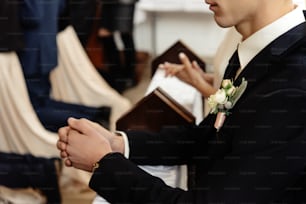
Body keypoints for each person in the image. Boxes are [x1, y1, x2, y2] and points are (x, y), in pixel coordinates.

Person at [57, 0, 306, 203]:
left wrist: (104, 164)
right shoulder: (263, 48)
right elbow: (210, 136)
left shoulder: (294, 84)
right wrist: (119, 143)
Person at [98, 0, 139, 93]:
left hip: (124, 3)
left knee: (125, 36)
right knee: (105, 36)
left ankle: (128, 76)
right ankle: (116, 76)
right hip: (108, 3)